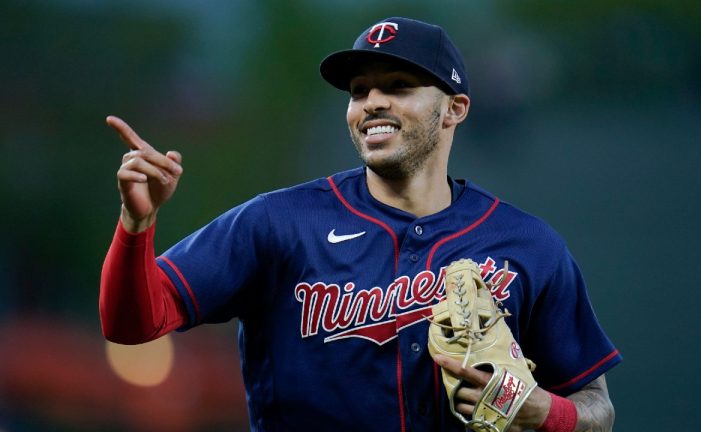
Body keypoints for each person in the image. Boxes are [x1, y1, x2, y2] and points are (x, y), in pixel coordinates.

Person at [100, 17, 621, 432]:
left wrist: (541, 412)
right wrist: (136, 223)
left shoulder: (527, 245)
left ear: (454, 109)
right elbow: (131, 324)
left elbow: (597, 408)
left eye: (398, 86)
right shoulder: (280, 223)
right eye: (359, 90)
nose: (372, 102)